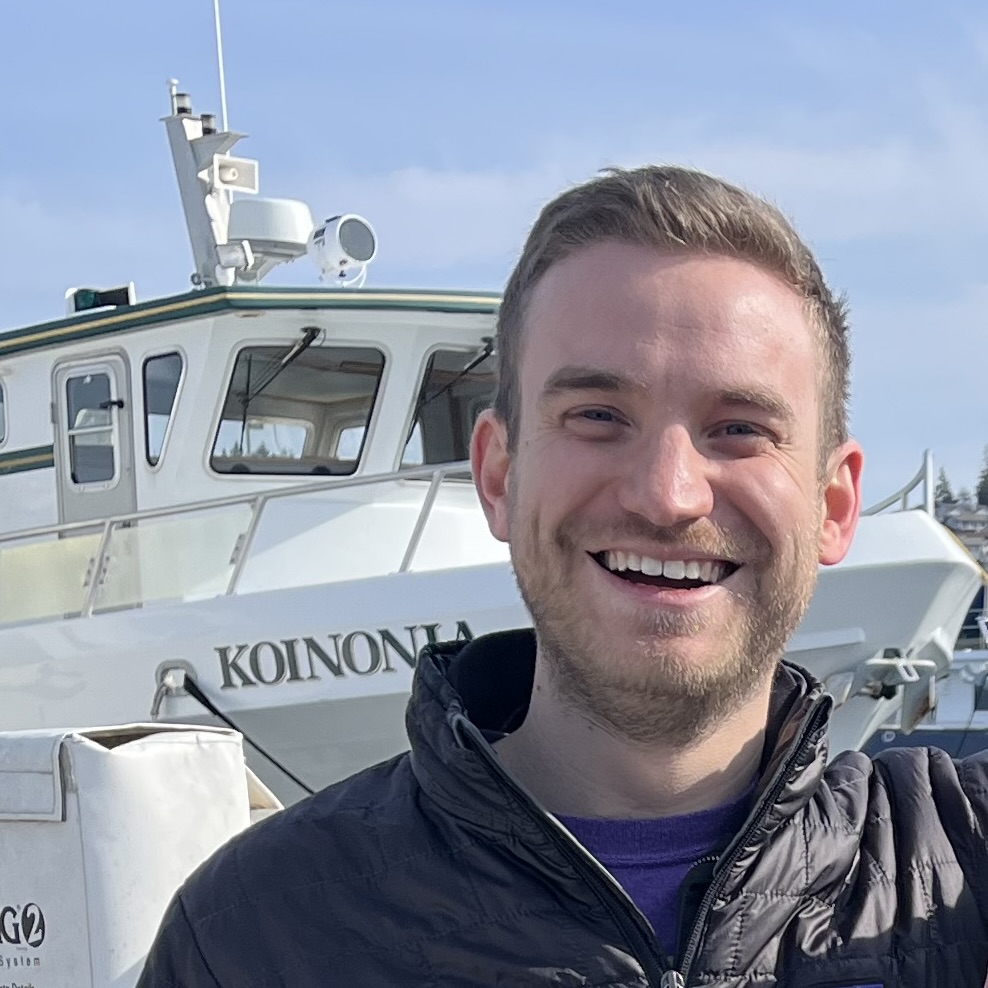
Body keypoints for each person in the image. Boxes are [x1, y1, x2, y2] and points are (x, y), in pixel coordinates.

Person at [137, 167, 988, 987]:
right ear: (498, 475)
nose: (668, 495)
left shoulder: (967, 864)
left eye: (739, 428)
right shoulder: (248, 939)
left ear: (834, 505)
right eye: (597, 416)